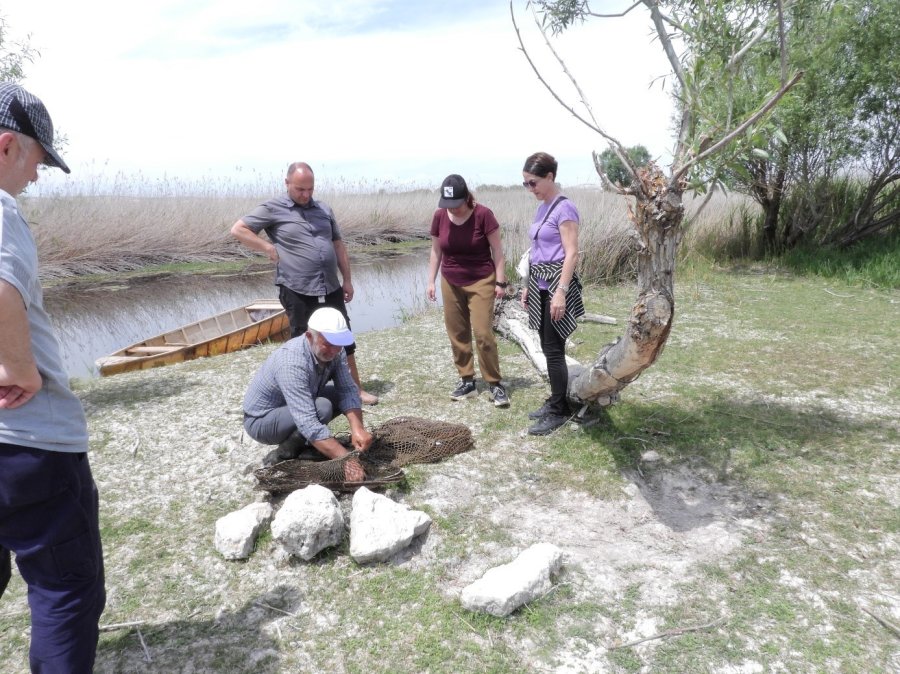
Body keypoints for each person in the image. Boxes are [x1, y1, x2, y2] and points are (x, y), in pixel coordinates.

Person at [0, 82, 106, 672]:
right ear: (7, 146)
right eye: (39, 158)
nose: (38, 175)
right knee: (65, 591)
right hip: (28, 444)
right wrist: (21, 369)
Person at [231, 162, 378, 405]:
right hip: (296, 289)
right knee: (302, 342)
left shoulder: (324, 209)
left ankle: (355, 390)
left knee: (343, 337)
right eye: (300, 189)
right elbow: (238, 229)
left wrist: (348, 280)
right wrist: (267, 247)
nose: (306, 194)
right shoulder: (272, 208)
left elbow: (338, 245)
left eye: (310, 189)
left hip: (330, 286)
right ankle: (305, 396)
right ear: (287, 183)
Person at [242, 307, 372, 481]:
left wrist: (358, 429)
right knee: (322, 408)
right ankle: (283, 454)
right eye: (328, 344)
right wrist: (346, 460)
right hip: (261, 420)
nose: (334, 350)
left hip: (295, 407)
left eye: (338, 344)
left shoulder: (336, 350)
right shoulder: (291, 362)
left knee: (336, 395)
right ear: (310, 337)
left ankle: (309, 446)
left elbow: (348, 390)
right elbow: (308, 421)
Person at [427, 174, 510, 407]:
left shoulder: (483, 214)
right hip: (450, 280)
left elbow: (498, 251)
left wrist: (500, 282)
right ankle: (467, 381)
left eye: (456, 205)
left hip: (481, 279)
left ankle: (494, 383)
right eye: (448, 205)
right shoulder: (439, 216)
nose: (452, 210)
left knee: (483, 334)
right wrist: (431, 281)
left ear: (467, 198)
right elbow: (436, 251)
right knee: (457, 333)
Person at [520, 152, 585, 435]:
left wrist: (561, 292)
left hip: (557, 286)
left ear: (549, 177)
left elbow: (572, 253)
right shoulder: (542, 206)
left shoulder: (564, 208)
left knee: (555, 349)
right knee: (548, 347)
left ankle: (560, 410)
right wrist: (526, 286)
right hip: (540, 284)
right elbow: (536, 251)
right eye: (525, 184)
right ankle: (555, 399)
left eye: (533, 183)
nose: (530, 189)